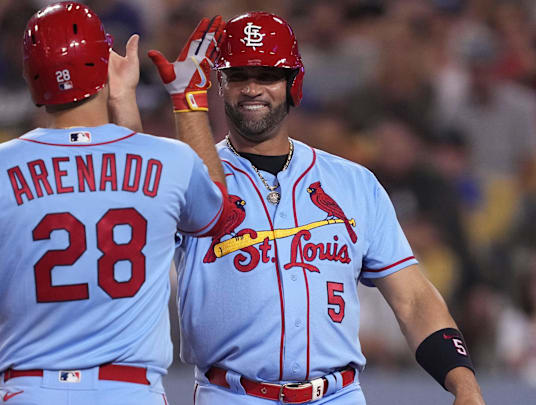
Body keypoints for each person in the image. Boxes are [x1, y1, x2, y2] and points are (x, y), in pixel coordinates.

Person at [0, 2, 234, 405]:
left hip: (32, 391)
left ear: (31, 77)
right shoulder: (165, 160)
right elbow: (218, 215)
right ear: (103, 62)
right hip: (130, 392)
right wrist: (169, 101)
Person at [142, 11, 487, 405]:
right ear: (220, 84)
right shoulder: (190, 182)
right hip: (232, 395)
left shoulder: (353, 183)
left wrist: (465, 385)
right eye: (239, 76)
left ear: (293, 85)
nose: (252, 89)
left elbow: (412, 297)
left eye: (267, 75)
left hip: (337, 395)